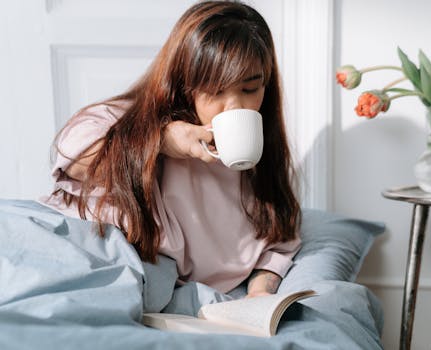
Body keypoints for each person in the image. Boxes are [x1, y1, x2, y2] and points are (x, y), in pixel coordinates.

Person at [40, 1, 301, 298]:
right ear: (184, 82)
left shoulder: (256, 172)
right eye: (215, 91)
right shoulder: (126, 119)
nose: (235, 107)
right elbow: (73, 157)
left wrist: (259, 296)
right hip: (74, 254)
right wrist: (160, 141)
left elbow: (277, 242)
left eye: (250, 89)